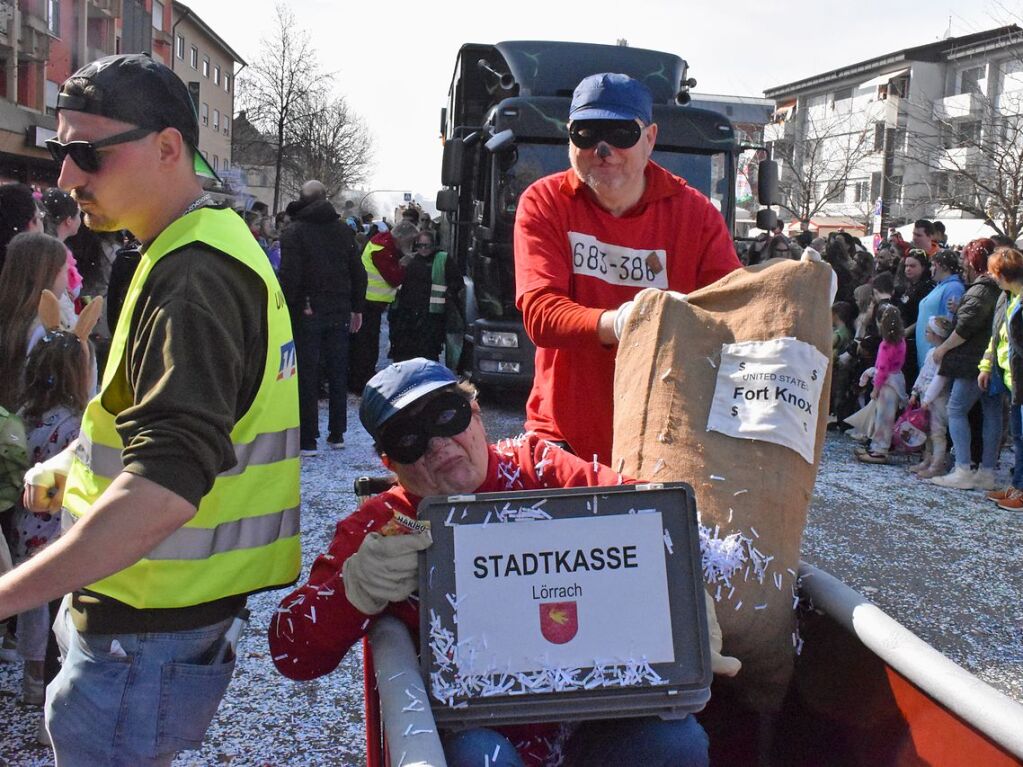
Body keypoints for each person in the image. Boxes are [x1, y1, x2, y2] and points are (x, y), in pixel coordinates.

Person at [0, 53, 301, 764]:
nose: (67, 177)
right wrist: (73, 466)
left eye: (86, 154)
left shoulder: (195, 273)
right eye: (59, 152)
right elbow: (158, 422)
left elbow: (163, 489)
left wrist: (8, 593)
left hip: (143, 631)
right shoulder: (194, 248)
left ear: (168, 148)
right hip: (155, 624)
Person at [269, 358, 736, 767]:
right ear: (392, 462)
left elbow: (652, 518)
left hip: (593, 722)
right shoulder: (385, 526)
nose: (437, 444)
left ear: (475, 414)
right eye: (410, 439)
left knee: (677, 742)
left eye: (445, 416)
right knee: (478, 755)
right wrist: (353, 591)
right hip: (482, 734)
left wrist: (687, 594)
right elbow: (292, 653)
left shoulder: (540, 471)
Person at [514, 72, 740, 464]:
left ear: (650, 138)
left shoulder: (696, 214)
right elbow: (541, 315)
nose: (603, 149)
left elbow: (734, 312)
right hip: (564, 436)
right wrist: (624, 323)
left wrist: (793, 289)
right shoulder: (545, 201)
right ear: (569, 137)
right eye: (587, 133)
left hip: (664, 432)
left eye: (621, 133)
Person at [11, 329, 90, 709]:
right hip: (56, 529)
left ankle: (30, 681)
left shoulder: (23, 416)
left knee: (29, 606)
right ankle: (51, 683)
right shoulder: (76, 426)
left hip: (22, 525)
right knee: (55, 607)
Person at [278, 179, 367, 454]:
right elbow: (358, 272)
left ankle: (308, 438)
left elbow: (290, 276)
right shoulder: (343, 231)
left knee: (307, 372)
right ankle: (337, 433)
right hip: (338, 309)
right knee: (338, 370)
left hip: (307, 309)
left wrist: (289, 306)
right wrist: (357, 308)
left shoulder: (294, 232)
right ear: (326, 197)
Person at [930, 239, 1002, 490]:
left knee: (956, 409)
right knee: (991, 413)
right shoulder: (997, 289)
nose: (962, 262)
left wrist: (943, 348)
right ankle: (987, 470)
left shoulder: (982, 289)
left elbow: (965, 328)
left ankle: (963, 468)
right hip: (989, 360)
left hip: (973, 361)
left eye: (964, 258)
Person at [0, 233, 71, 411]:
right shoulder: (46, 328)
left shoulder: (9, 315)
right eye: (65, 269)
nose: (67, 278)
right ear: (50, 273)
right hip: (32, 429)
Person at [982, 247, 1023, 509]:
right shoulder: (1006, 298)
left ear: (1003, 273)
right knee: (1018, 436)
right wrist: (986, 366)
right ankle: (1017, 486)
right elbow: (996, 336)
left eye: (993, 272)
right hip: (1012, 378)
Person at [348, 227, 410, 393]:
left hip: (370, 301)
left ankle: (362, 377)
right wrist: (403, 265)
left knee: (366, 344)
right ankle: (361, 380)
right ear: (402, 239)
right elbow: (393, 278)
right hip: (369, 302)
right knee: (366, 345)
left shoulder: (381, 242)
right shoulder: (384, 249)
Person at [388, 229, 463, 364]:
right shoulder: (409, 260)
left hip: (431, 316)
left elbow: (457, 282)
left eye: (426, 245)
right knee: (405, 352)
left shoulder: (442, 259)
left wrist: (448, 295)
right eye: (420, 245)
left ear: (433, 244)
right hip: (407, 313)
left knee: (428, 353)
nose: (423, 249)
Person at [855, 304, 907, 464]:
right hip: (896, 379)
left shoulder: (886, 344)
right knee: (886, 416)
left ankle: (879, 449)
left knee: (882, 418)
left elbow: (883, 369)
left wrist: (875, 389)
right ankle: (878, 446)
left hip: (886, 384)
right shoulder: (901, 341)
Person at [908, 317, 953, 478]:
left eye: (927, 331)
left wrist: (927, 398)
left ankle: (937, 464)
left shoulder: (943, 355)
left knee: (937, 432)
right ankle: (927, 460)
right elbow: (923, 374)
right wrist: (915, 392)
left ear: (936, 335)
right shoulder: (930, 353)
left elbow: (939, 378)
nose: (925, 334)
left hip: (938, 399)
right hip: (925, 396)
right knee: (926, 431)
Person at [914, 250, 965, 370]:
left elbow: (948, 321)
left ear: (943, 267)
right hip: (927, 347)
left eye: (933, 265)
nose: (931, 269)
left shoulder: (954, 287)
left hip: (934, 349)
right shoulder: (940, 285)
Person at [892, 249, 935, 389]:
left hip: (914, 339)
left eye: (913, 266)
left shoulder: (927, 288)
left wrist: (908, 331)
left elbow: (924, 316)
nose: (908, 269)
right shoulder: (908, 287)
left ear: (923, 267)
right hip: (902, 336)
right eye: (906, 266)